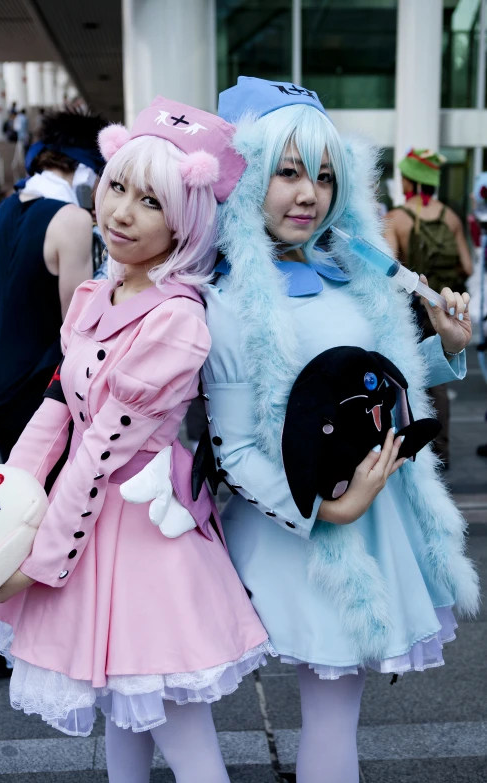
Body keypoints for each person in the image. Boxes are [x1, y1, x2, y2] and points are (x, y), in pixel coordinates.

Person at [0, 97, 270, 783]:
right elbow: (57, 408)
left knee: (183, 735)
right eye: (117, 187)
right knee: (120, 717)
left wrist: (37, 561)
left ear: (187, 220)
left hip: (140, 526)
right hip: (92, 518)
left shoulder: (178, 320)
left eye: (151, 201)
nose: (122, 212)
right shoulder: (96, 296)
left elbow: (102, 447)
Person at [188, 77, 477, 782]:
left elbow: (378, 386)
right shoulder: (228, 300)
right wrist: (326, 507)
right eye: (287, 172)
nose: (307, 193)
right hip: (298, 530)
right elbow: (234, 450)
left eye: (322, 174)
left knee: (335, 717)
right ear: (249, 173)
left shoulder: (355, 276)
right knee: (189, 704)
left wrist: (448, 343)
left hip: (369, 526)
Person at [0, 109, 107, 463]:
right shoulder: (71, 218)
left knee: (16, 486)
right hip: (34, 379)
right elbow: (75, 325)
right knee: (40, 494)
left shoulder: (9, 205)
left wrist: (5, 299)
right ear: (86, 171)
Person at [384, 149, 473, 468]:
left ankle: (414, 452)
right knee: (439, 380)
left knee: (408, 375)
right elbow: (467, 264)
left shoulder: (396, 218)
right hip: (447, 309)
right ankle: (442, 451)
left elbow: (389, 273)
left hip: (413, 312)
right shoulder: (449, 216)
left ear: (408, 179)